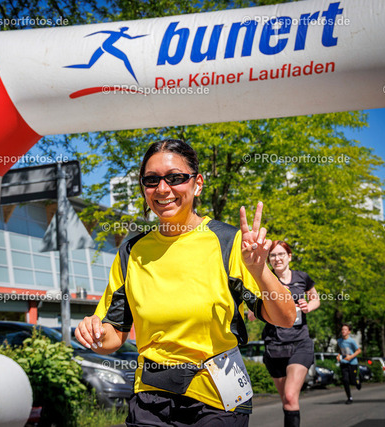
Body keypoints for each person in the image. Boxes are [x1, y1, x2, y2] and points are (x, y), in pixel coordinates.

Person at [75, 139, 296, 426]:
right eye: (151, 180)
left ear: (197, 184)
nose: (162, 189)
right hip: (151, 399)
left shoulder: (230, 242)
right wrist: (93, 333)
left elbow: (286, 317)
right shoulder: (131, 252)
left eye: (175, 178)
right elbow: (114, 333)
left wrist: (260, 270)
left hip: (217, 399)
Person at [248, 240, 320, 427]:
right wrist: (272, 298)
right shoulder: (265, 280)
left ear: (289, 256)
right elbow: (251, 315)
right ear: (268, 260)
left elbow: (315, 299)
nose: (277, 258)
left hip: (299, 343)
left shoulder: (302, 277)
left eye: (281, 254)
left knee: (290, 396)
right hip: (274, 347)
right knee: (287, 401)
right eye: (273, 255)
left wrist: (308, 306)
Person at [337, 324, 361, 404]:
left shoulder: (351, 341)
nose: (343, 331)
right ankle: (349, 398)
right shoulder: (339, 341)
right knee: (345, 380)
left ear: (349, 332)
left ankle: (357, 381)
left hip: (352, 363)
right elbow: (341, 350)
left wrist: (350, 357)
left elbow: (358, 350)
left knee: (352, 381)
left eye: (345, 329)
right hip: (344, 363)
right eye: (342, 329)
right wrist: (339, 355)